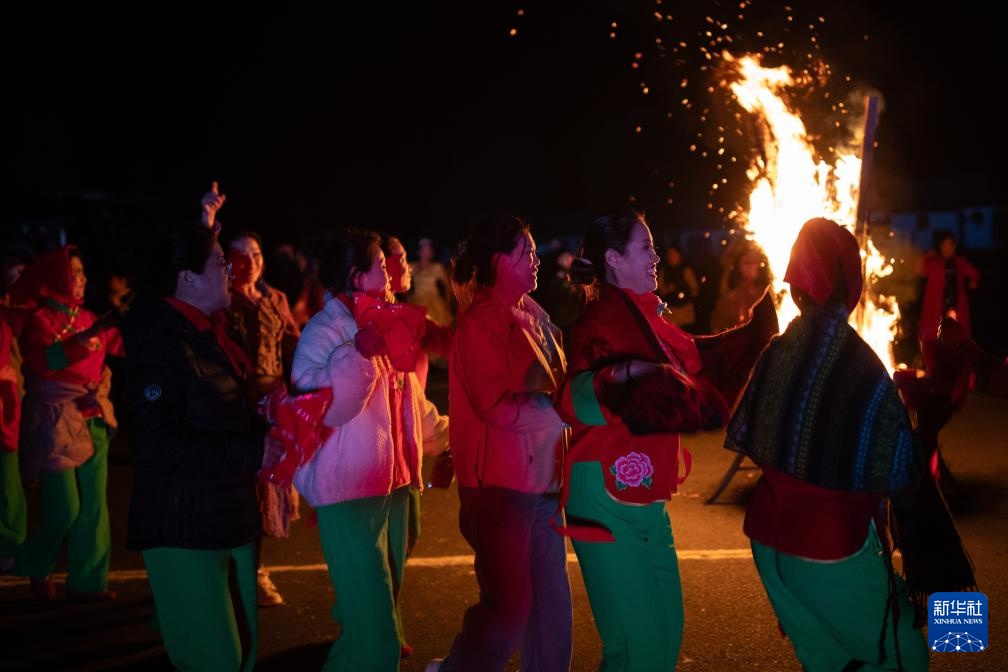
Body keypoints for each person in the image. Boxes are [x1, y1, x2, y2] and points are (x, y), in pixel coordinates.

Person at [555, 209, 768, 671]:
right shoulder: (600, 321)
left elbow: (702, 364)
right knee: (640, 651)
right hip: (606, 494)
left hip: (647, 498)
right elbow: (571, 398)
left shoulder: (651, 318)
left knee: (660, 642)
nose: (655, 256)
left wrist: (760, 331)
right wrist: (622, 375)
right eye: (645, 247)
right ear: (614, 258)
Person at [725, 217, 931, 671]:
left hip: (768, 540)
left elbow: (752, 438)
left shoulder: (779, 348)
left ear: (795, 284)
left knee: (828, 661)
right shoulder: (859, 362)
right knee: (904, 655)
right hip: (827, 547)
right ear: (850, 282)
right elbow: (898, 470)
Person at [291, 228, 446, 671]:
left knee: (378, 628)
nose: (391, 269)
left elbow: (409, 403)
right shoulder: (326, 330)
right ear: (358, 277)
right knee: (374, 636)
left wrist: (451, 437)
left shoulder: (383, 319)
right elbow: (325, 409)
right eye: (380, 264)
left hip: (390, 488)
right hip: (348, 494)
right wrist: (358, 354)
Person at [124, 224, 273, 672]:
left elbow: (217, 414)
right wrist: (252, 452)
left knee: (242, 655)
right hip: (182, 524)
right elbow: (155, 444)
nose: (231, 270)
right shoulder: (160, 341)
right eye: (219, 263)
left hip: (226, 518)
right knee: (215, 661)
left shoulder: (207, 333)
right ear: (186, 278)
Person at [427, 214, 572, 672]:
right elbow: (495, 405)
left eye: (533, 251)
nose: (535, 260)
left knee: (551, 607)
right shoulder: (479, 323)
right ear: (498, 261)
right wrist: (560, 410)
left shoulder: (534, 314)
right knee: (509, 608)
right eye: (524, 252)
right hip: (500, 488)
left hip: (544, 483)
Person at [10, 246, 122, 601]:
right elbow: (44, 363)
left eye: (84, 272)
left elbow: (126, 345)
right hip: (55, 420)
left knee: (93, 506)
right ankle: (31, 563)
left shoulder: (91, 316)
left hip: (92, 415)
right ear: (57, 277)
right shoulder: (40, 320)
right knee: (65, 508)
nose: (82, 279)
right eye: (74, 272)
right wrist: (84, 341)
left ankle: (88, 582)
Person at [379, 233, 451, 658]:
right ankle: (378, 625)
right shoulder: (370, 320)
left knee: (407, 536)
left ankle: (378, 618)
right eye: (399, 259)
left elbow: (450, 341)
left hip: (411, 443)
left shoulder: (413, 318)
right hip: (380, 450)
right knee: (384, 546)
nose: (408, 267)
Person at [226, 230, 303, 607]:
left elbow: (292, 345)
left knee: (267, 488)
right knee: (240, 489)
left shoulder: (275, 299)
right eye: (240, 255)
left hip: (273, 401)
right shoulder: (224, 300)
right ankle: (237, 572)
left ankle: (254, 569)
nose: (250, 261)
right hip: (237, 404)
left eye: (255, 253)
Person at [919, 230, 980, 346]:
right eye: (944, 245)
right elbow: (919, 269)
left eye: (950, 245)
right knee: (934, 336)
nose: (947, 248)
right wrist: (927, 255)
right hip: (936, 306)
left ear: (954, 247)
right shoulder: (934, 263)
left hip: (955, 306)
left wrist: (974, 281)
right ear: (940, 247)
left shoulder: (960, 262)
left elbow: (974, 273)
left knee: (956, 338)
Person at [710, 240, 771, 332]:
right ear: (738, 266)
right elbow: (718, 330)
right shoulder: (730, 300)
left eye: (755, 262)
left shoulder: (767, 293)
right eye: (747, 262)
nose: (751, 266)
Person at [408, 236, 453, 328]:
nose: (426, 252)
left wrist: (448, 302)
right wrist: (407, 296)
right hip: (417, 301)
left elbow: (448, 286)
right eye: (424, 249)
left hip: (434, 303)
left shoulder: (437, 267)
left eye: (428, 249)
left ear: (431, 252)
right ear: (419, 251)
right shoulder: (411, 266)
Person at [657, 243, 700, 330]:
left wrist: (683, 291)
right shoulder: (663, 271)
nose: (671, 256)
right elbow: (659, 289)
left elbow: (694, 289)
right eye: (669, 254)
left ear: (680, 255)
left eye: (673, 253)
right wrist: (666, 290)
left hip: (685, 312)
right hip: (670, 311)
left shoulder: (686, 270)